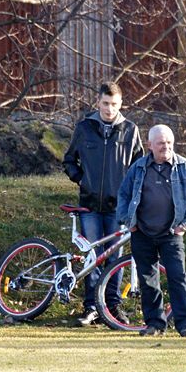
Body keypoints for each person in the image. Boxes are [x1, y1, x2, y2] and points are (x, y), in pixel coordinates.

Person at [62, 82, 143, 326]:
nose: (109, 109)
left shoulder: (130, 130)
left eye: (114, 104)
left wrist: (132, 196)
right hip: (89, 205)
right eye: (105, 104)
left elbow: (139, 167)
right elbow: (69, 160)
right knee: (92, 257)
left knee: (115, 257)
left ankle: (112, 306)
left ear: (121, 104)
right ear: (98, 102)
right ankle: (90, 307)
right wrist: (81, 180)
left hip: (118, 207)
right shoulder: (85, 128)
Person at [117, 124, 186, 337]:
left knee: (178, 278)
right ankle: (155, 323)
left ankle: (185, 325)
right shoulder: (138, 168)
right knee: (148, 280)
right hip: (142, 232)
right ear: (150, 145)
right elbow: (123, 195)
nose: (166, 147)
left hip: (172, 234)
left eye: (169, 143)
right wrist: (129, 221)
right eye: (161, 143)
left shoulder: (184, 167)